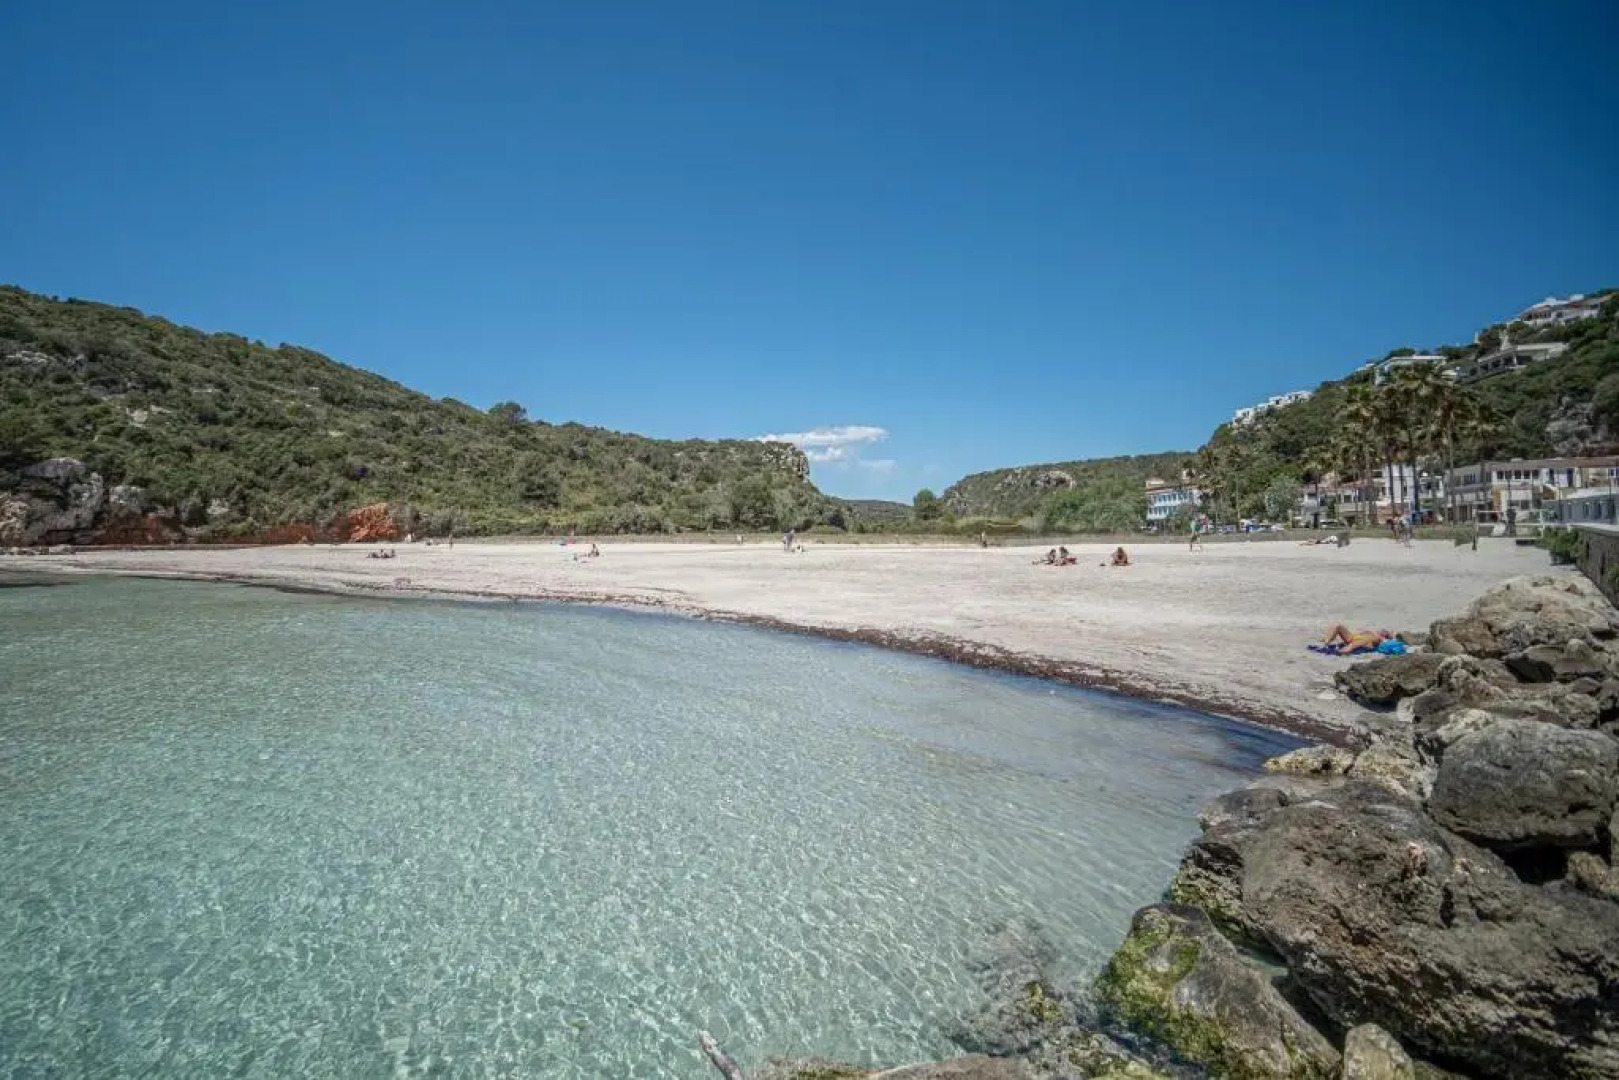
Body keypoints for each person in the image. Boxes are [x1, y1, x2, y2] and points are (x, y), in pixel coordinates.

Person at [1320, 624, 1392, 655]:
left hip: (1356, 641)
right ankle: (1326, 641)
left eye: (1384, 632)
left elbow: (1385, 642)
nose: (1381, 631)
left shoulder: (1379, 639)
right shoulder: (1371, 633)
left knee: (1362, 642)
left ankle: (1326, 642)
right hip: (1353, 638)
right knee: (1338, 626)